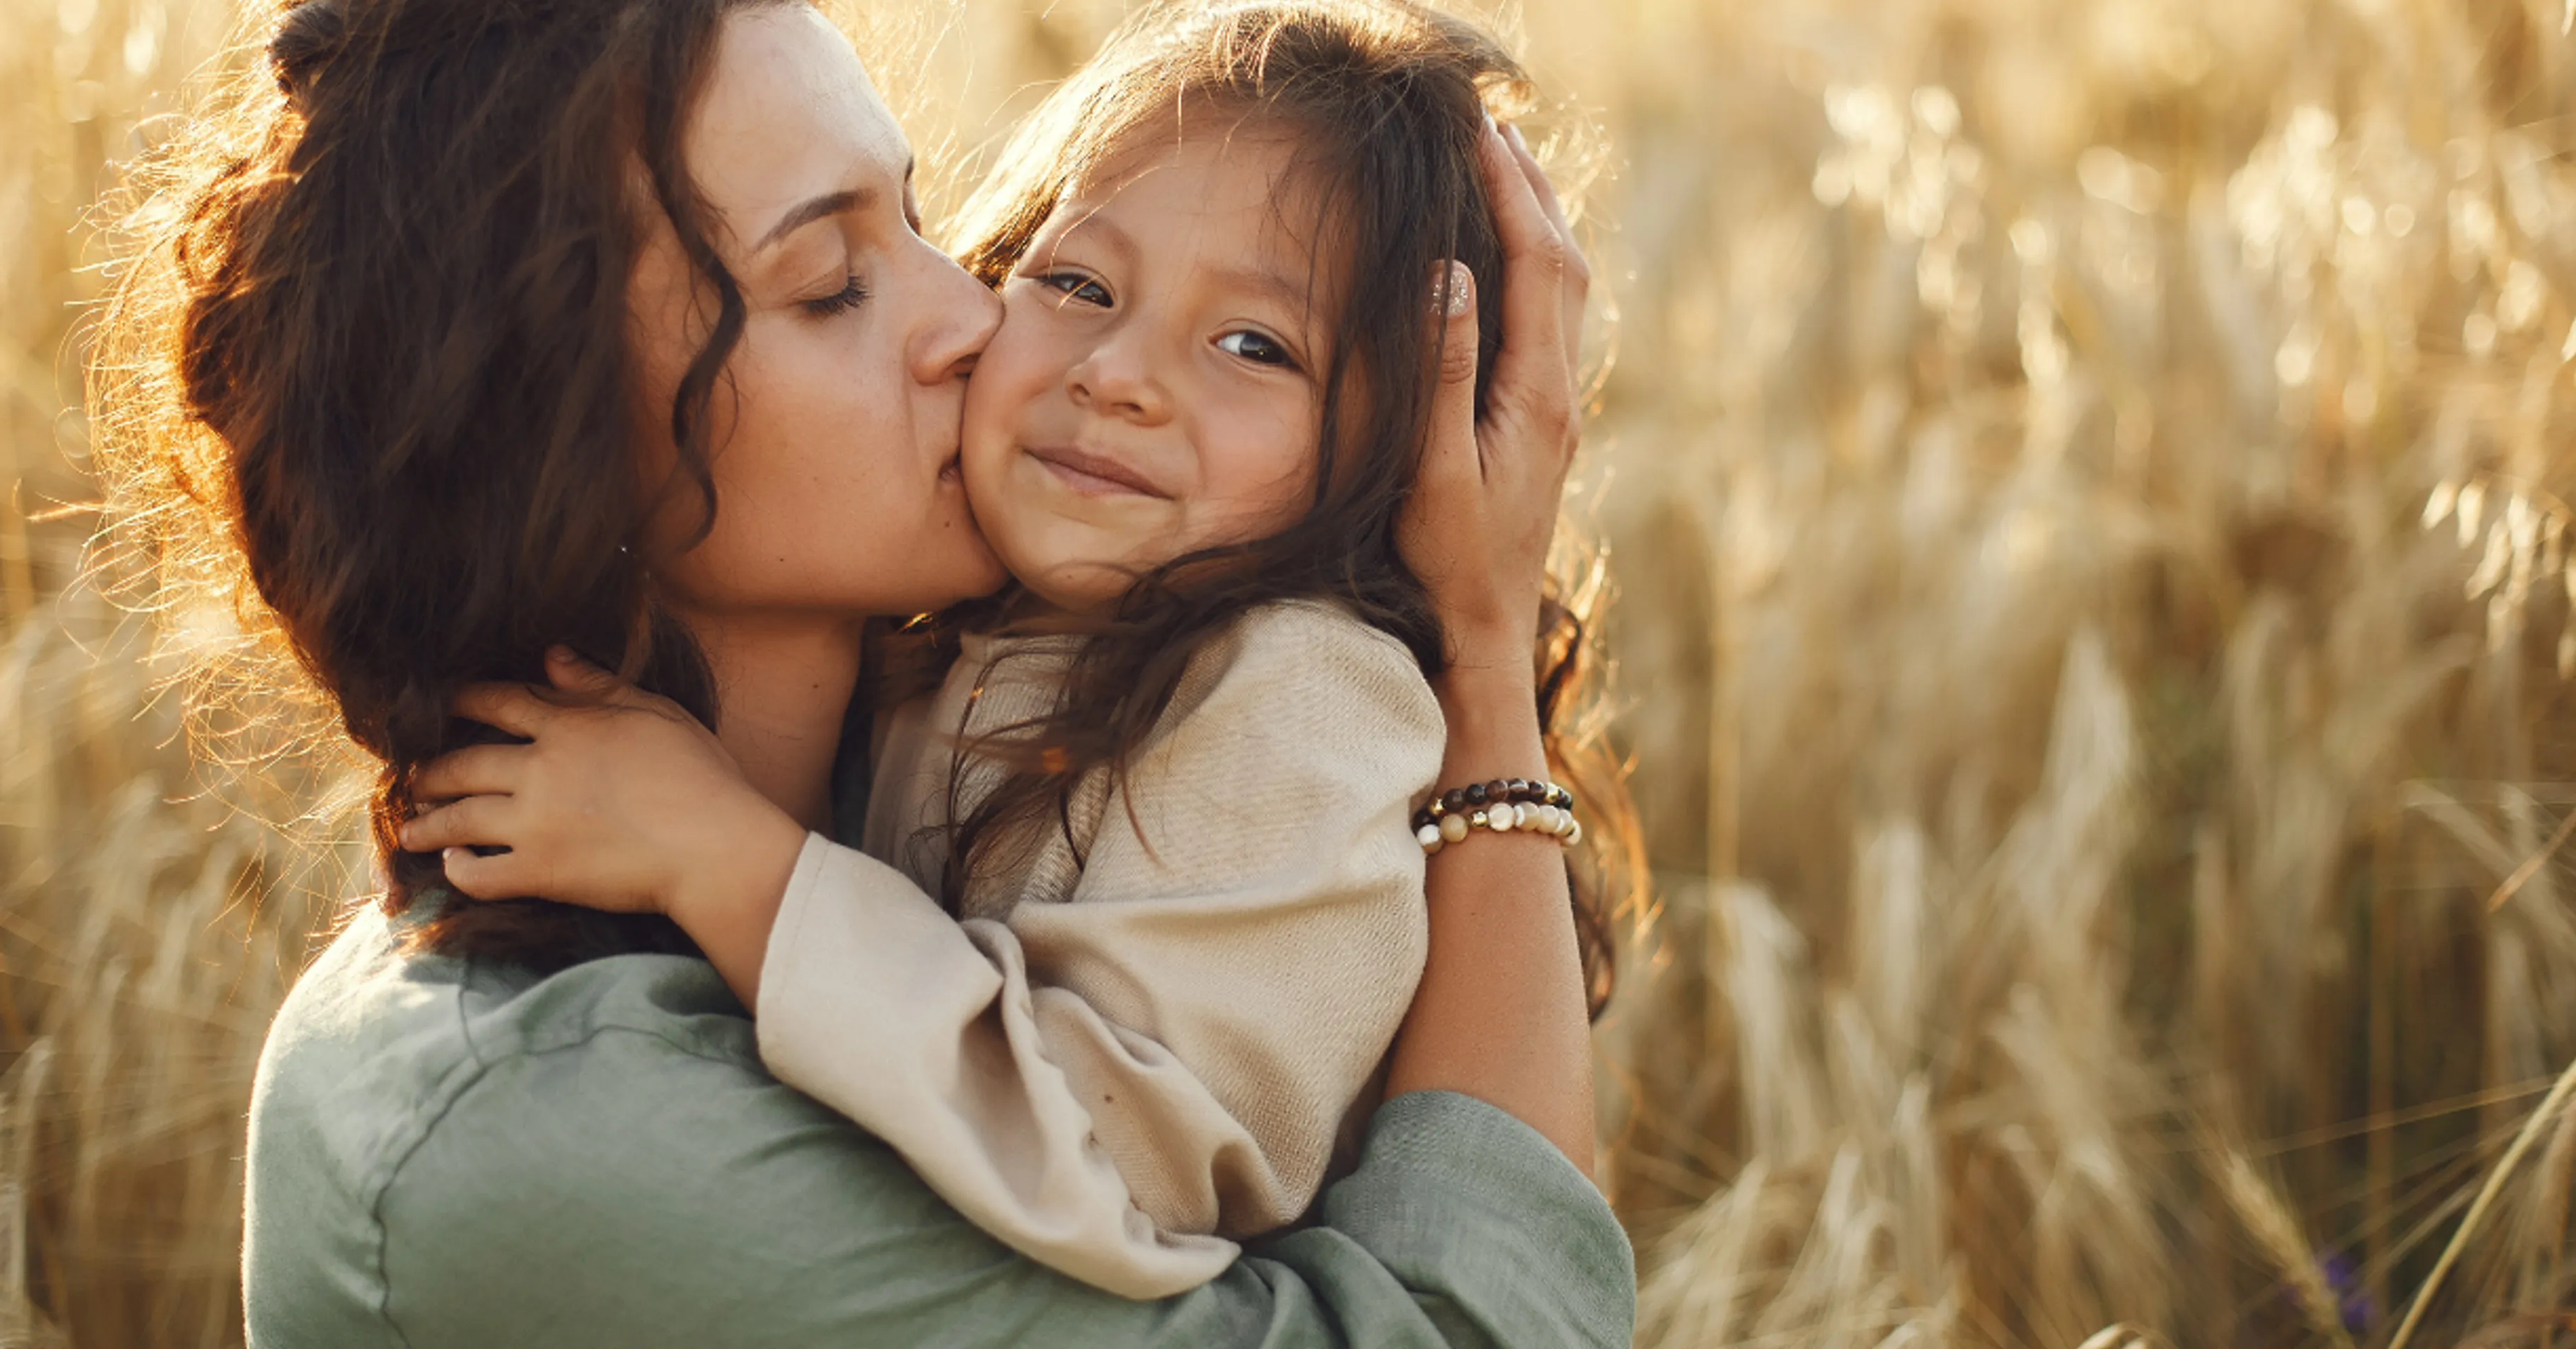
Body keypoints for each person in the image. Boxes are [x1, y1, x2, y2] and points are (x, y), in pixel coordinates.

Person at [89, 0, 1625, 1341]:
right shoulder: (546, 1140)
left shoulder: (1249, 705)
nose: (980, 313)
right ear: (550, 443)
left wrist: (1478, 647)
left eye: (920, 219)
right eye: (834, 283)